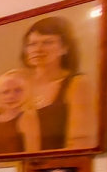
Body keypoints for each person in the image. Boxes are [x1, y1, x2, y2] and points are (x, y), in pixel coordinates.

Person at [21, 16, 97, 150]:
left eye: (47, 42)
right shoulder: (18, 85)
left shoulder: (78, 84)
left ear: (65, 48)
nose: (38, 49)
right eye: (32, 44)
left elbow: (81, 143)